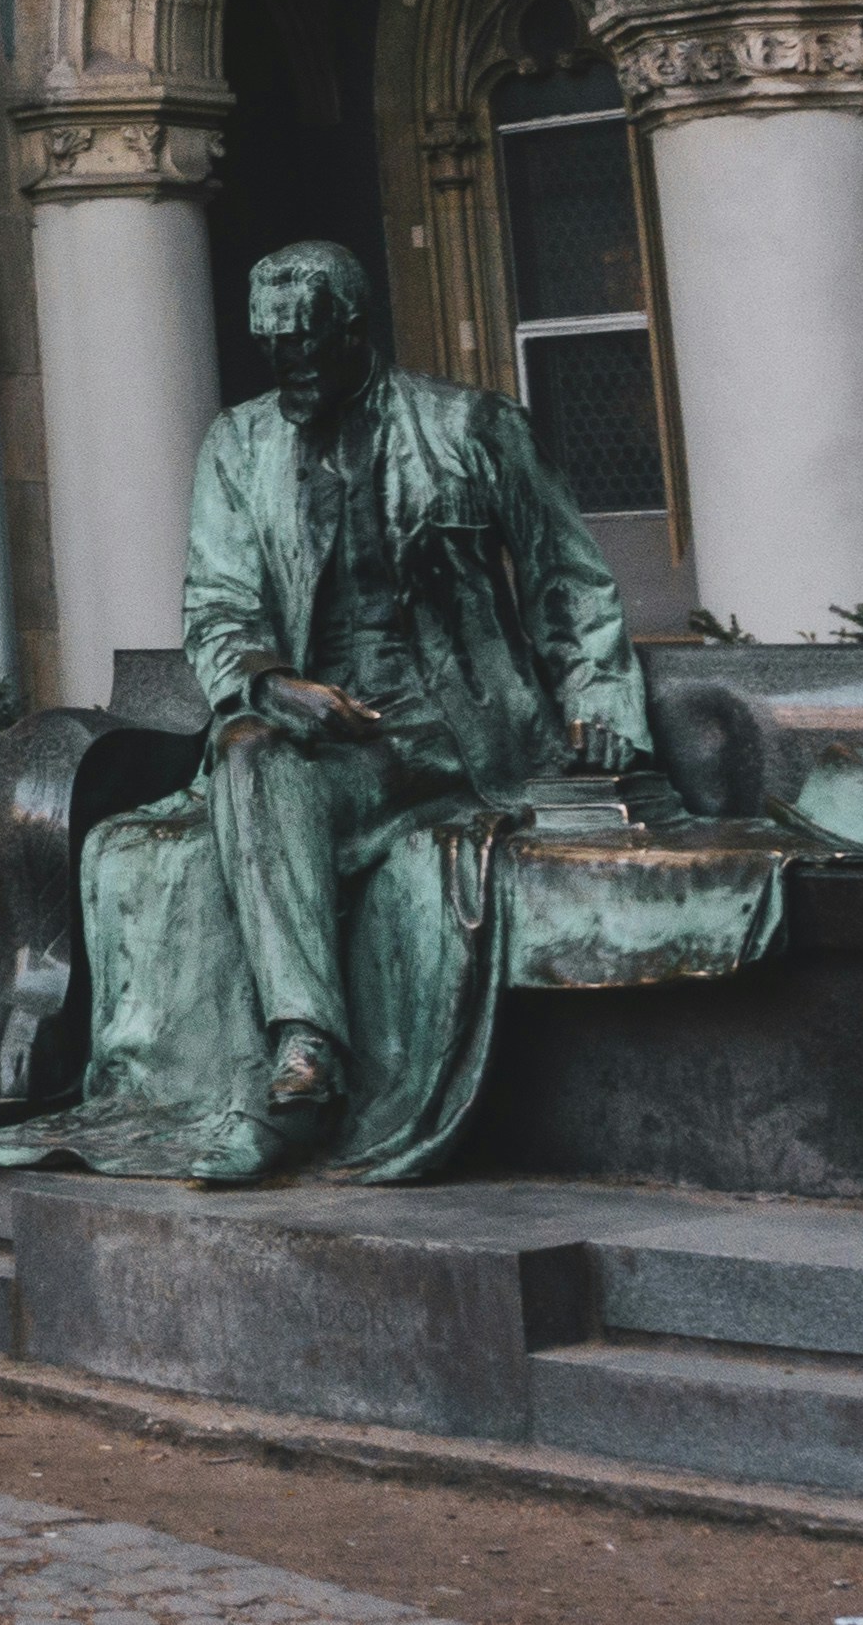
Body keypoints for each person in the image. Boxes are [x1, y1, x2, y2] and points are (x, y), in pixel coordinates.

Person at [185, 239, 644, 1156]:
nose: (285, 362)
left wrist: (598, 698)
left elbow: (566, 573)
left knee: (258, 776)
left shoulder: (471, 425)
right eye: (270, 345)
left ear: (354, 331)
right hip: (324, 738)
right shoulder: (237, 443)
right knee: (244, 752)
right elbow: (217, 605)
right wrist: (271, 687)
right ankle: (305, 1048)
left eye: (303, 342)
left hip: (458, 735)